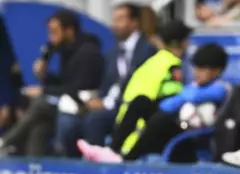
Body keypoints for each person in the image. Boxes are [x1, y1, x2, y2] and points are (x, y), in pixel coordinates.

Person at [79, 43, 230, 163]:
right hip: (175, 132)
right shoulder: (193, 87)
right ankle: (112, 150)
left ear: (217, 70)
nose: (197, 72)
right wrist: (183, 96)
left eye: (202, 68)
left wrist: (183, 96)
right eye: (196, 67)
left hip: (189, 141)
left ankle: (127, 159)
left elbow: (181, 101)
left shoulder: (220, 89)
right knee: (141, 102)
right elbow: (172, 103)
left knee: (161, 119)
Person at [77, 20, 190, 162]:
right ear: (183, 42)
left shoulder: (149, 63)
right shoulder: (173, 65)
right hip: (149, 132)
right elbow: (172, 101)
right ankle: (120, 157)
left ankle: (112, 151)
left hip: (126, 129)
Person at [54, 2, 156, 157]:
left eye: (120, 19)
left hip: (130, 106)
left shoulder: (148, 50)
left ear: (134, 22)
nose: (115, 25)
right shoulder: (112, 53)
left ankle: (101, 164)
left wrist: (108, 103)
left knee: (94, 120)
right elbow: (106, 86)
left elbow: (139, 83)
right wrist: (97, 100)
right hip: (108, 104)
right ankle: (75, 168)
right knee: (70, 123)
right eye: (114, 20)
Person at [0, 9, 104, 157]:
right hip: (66, 103)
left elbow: (76, 87)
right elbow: (63, 81)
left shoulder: (88, 52)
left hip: (82, 104)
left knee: (40, 104)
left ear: (69, 31)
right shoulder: (64, 51)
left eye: (54, 32)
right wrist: (44, 74)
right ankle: (34, 168)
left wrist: (44, 90)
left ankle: (6, 141)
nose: (50, 37)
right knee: (39, 128)